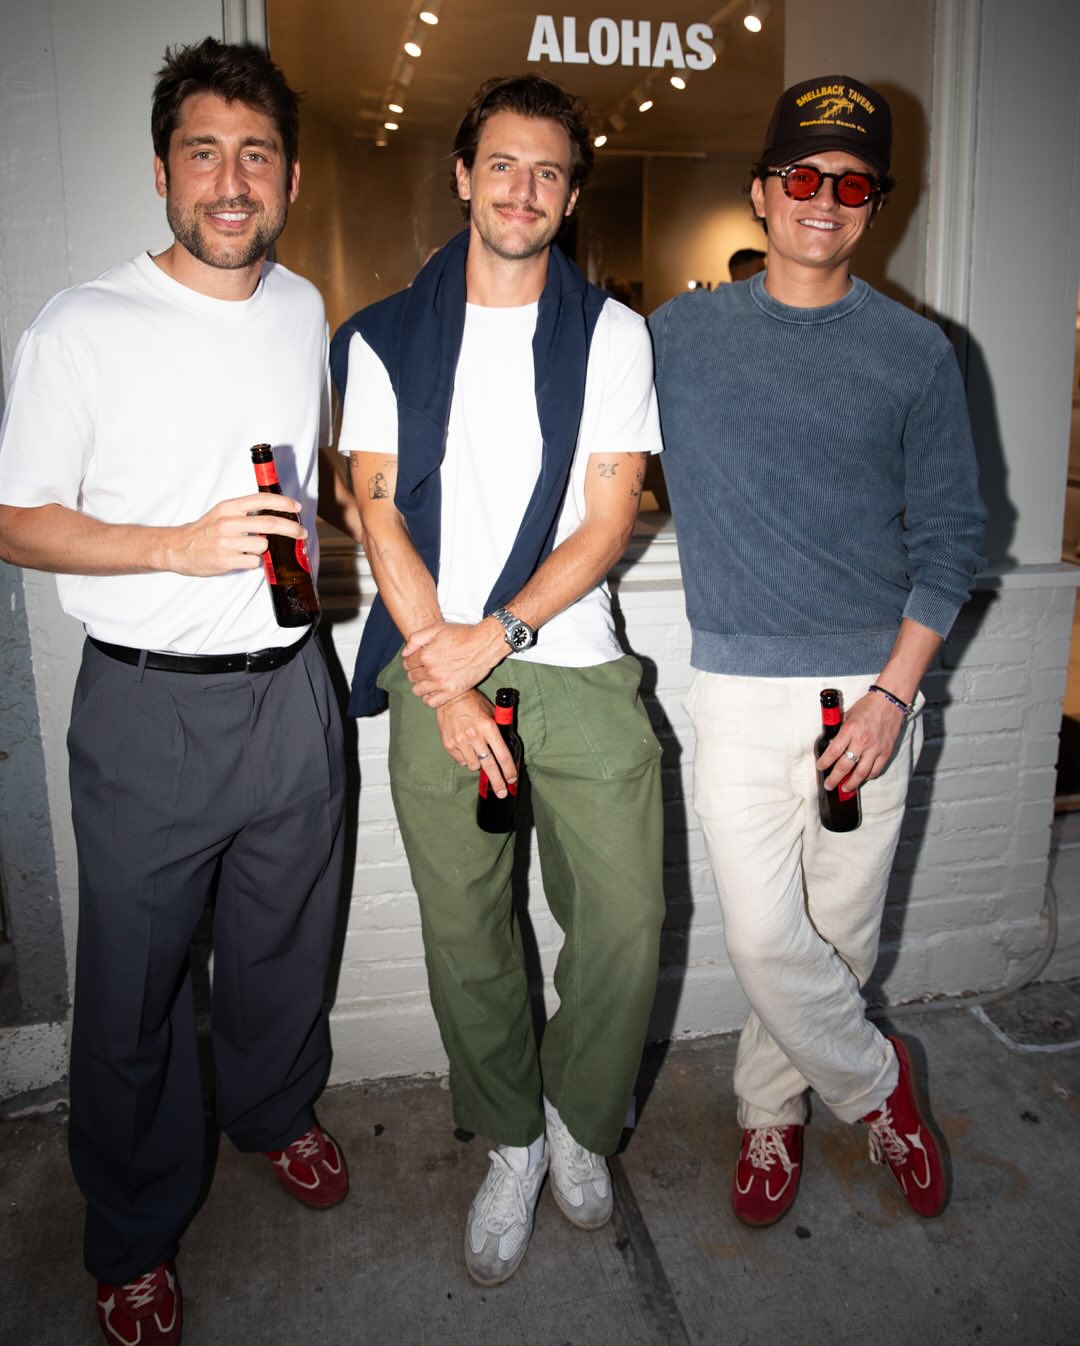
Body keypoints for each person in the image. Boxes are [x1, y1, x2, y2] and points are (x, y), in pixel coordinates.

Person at [0, 38, 348, 1346]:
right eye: (204, 152)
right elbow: (15, 519)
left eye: (256, 154)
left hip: (291, 687)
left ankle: (272, 1109)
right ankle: (133, 1230)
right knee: (132, 988)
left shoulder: (302, 305)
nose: (230, 180)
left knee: (283, 943)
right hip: (149, 711)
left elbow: (297, 471)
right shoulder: (81, 325)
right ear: (162, 171)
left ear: (290, 177)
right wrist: (173, 545)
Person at [332, 74, 665, 1286]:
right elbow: (377, 511)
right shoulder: (382, 335)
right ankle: (514, 1139)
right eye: (504, 164)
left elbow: (609, 518)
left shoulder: (613, 333)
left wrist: (500, 636)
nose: (524, 189)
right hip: (434, 667)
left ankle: (577, 1116)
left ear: (570, 198)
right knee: (467, 932)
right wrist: (450, 670)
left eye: (550, 172)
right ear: (464, 176)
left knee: (625, 919)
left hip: (573, 660)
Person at [650, 75, 986, 1227]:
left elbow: (951, 538)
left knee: (837, 934)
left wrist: (896, 693)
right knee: (763, 931)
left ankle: (769, 1111)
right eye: (802, 175)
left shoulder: (916, 352)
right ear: (760, 191)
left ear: (875, 205)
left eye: (851, 184)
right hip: (740, 690)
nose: (823, 200)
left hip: (870, 696)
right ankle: (881, 1086)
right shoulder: (678, 336)